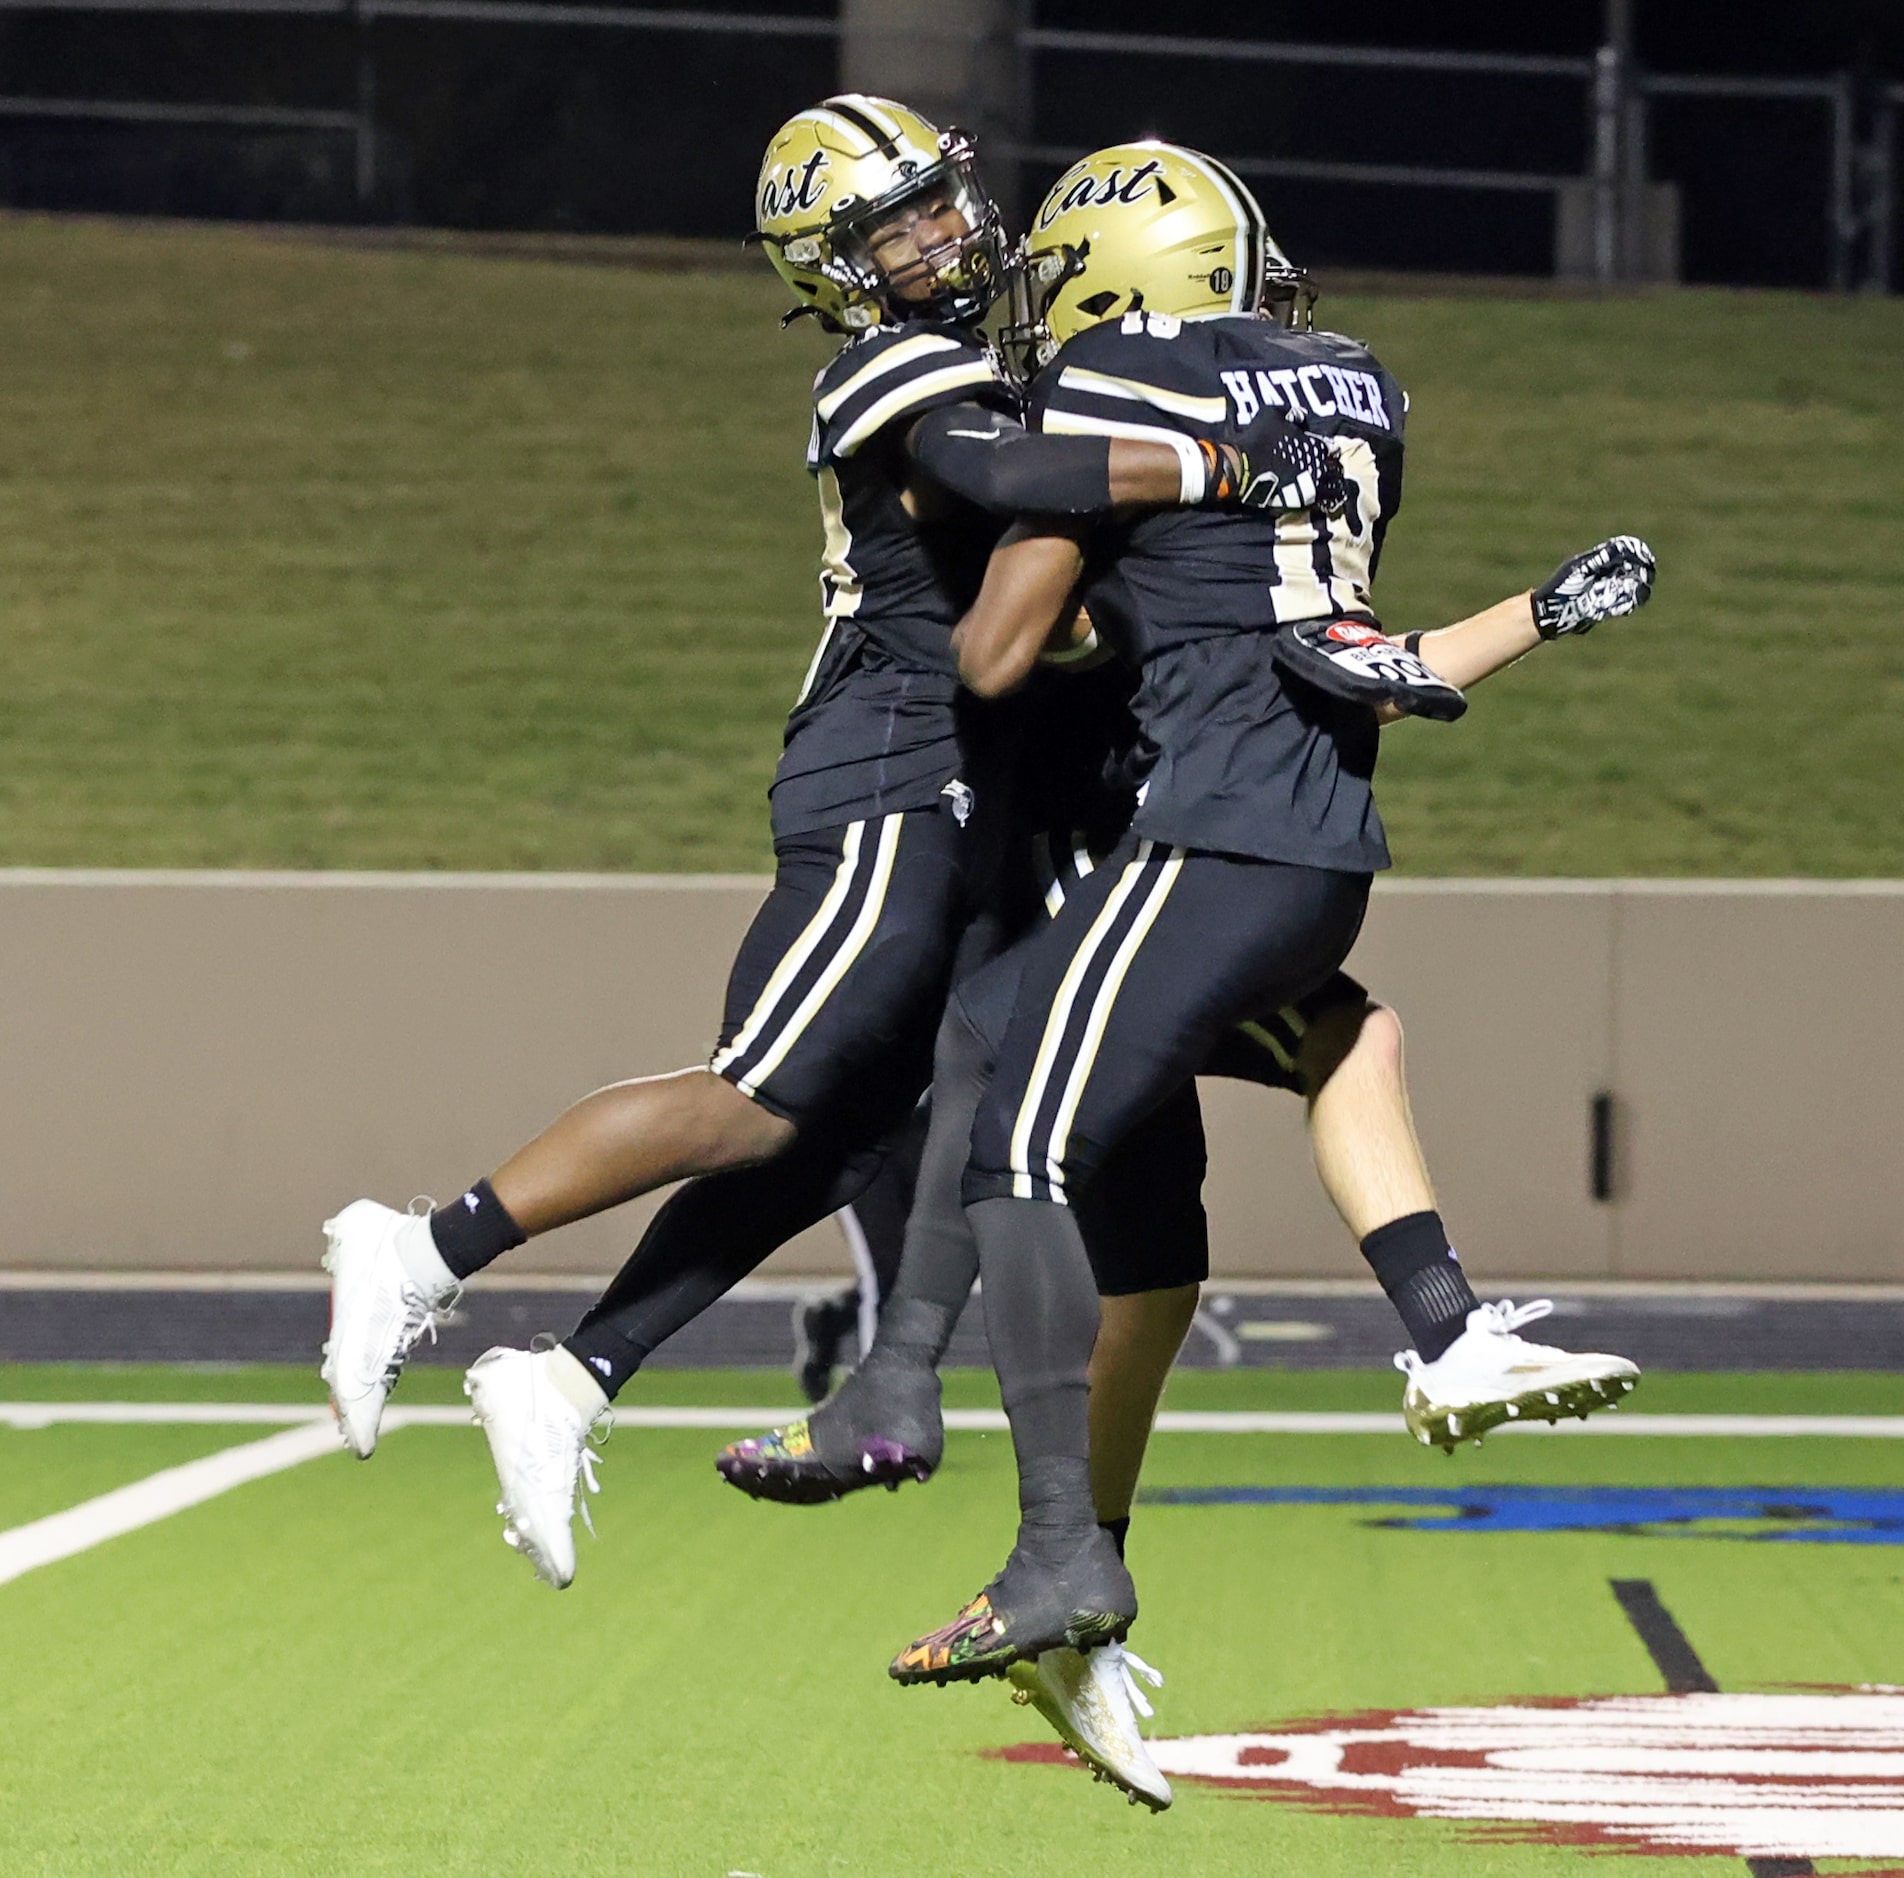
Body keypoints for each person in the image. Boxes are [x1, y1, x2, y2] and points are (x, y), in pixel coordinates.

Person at [316, 98, 1318, 1526]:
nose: (940, 233)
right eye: (891, 223)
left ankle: (578, 1373)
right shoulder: (889, 365)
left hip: (982, 777)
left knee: (837, 1136)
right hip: (891, 757)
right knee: (757, 1089)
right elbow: (997, 477)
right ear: (831, 269)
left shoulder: (993, 352)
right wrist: (1214, 459)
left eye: (937, 199)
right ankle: (417, 1247)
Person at [823, 141, 1656, 1693]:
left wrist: (1012, 535)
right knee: (1322, 1058)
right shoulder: (1347, 390)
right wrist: (1537, 615)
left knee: (1006, 1125)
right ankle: (1440, 1324)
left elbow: (1001, 650)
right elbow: (1353, 652)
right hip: (1308, 840)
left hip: (1171, 847)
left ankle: (1018, 1516)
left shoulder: (1130, 382)